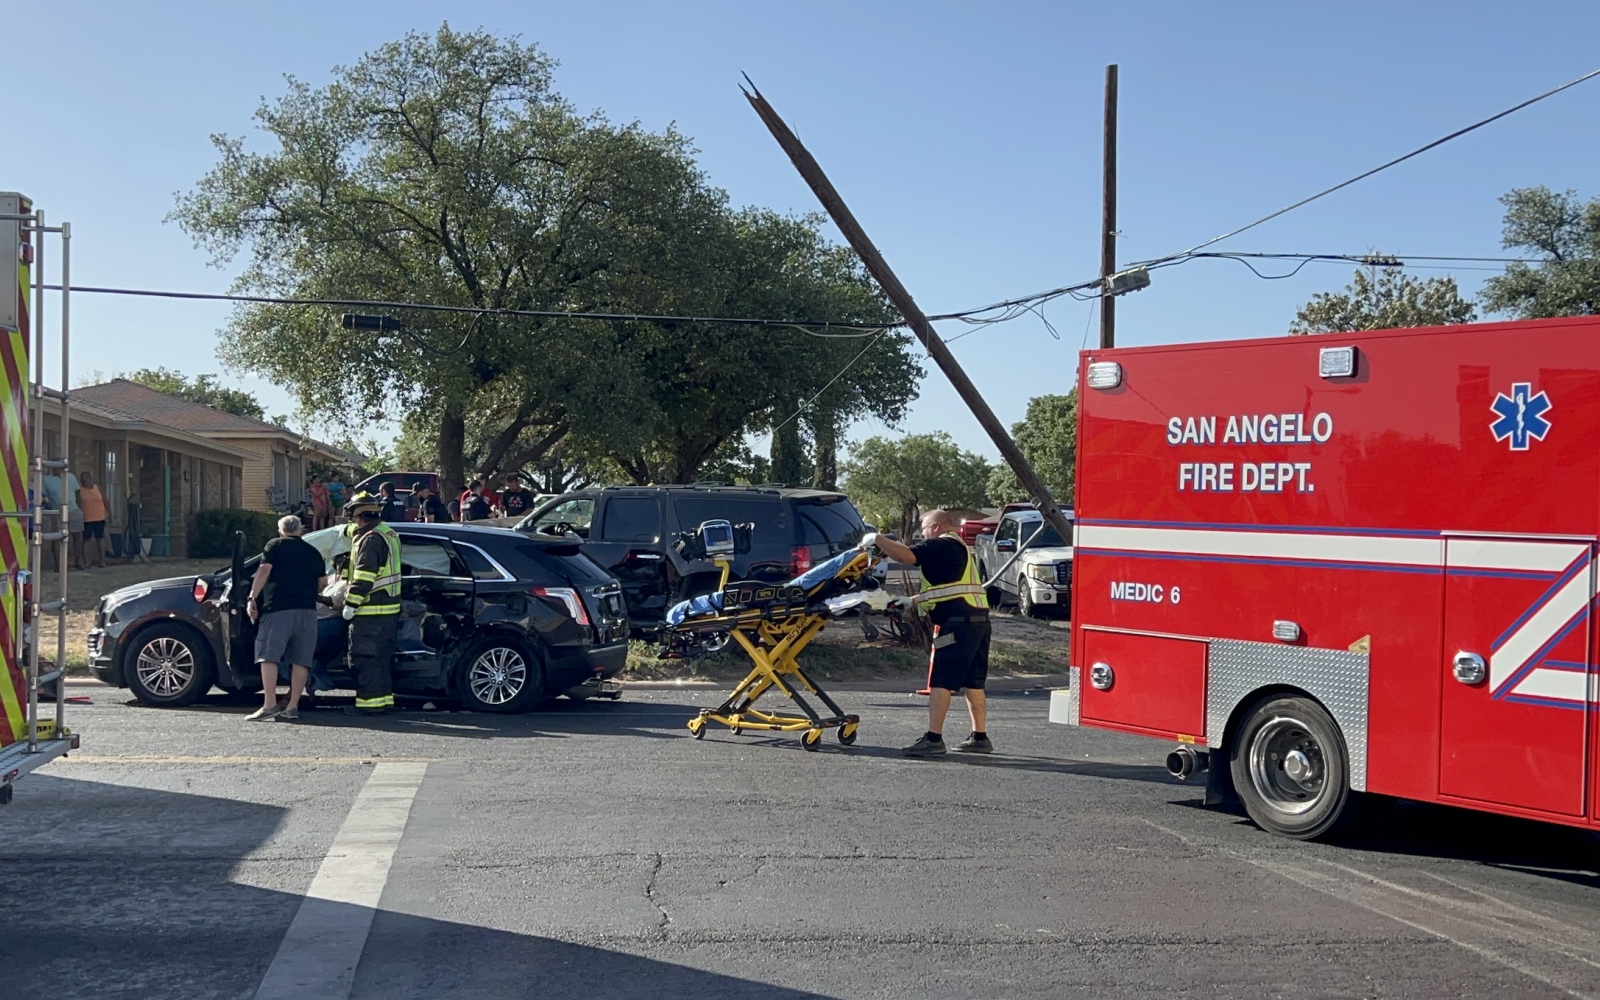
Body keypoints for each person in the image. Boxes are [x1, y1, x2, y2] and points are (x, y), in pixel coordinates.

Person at [866, 509, 993, 756]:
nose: (922, 533)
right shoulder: (959, 548)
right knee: (973, 681)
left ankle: (934, 739)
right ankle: (980, 737)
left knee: (941, 680)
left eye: (923, 528)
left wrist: (877, 539)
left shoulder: (940, 544)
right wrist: (911, 601)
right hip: (978, 621)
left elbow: (906, 556)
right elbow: (951, 589)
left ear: (935, 526)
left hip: (957, 623)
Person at [244, 515, 327, 721]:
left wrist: (252, 597)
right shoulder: (313, 552)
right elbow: (323, 584)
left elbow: (263, 570)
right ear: (300, 531)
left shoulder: (274, 545)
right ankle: (292, 706)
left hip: (278, 610)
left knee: (268, 655)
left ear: (280, 530)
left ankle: (270, 704)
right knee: (301, 660)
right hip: (307, 612)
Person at [340, 490, 403, 716]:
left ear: (359, 516)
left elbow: (364, 577)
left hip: (370, 611)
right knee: (381, 660)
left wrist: (350, 604)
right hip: (388, 611)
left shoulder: (369, 540)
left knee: (365, 659)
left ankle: (369, 706)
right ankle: (384, 701)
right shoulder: (387, 533)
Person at [76, 472, 108, 569]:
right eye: (82, 478)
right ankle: (87, 561)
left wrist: (109, 514)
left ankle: (102, 561)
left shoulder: (97, 488)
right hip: (87, 519)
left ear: (90, 478)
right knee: (86, 540)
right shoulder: (80, 490)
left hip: (100, 517)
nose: (84, 480)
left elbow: (105, 500)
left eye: (85, 478)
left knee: (100, 538)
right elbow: (78, 503)